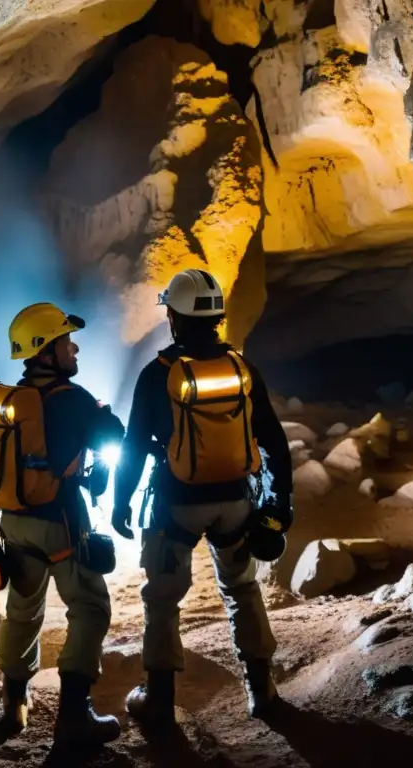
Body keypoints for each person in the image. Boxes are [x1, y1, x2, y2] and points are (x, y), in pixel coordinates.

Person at [110, 269, 294, 724]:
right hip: (236, 502)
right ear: (215, 317)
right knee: (242, 589)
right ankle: (262, 690)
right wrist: (278, 501)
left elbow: (134, 447)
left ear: (174, 317)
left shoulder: (158, 375)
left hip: (177, 504)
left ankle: (160, 700)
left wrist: (120, 503)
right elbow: (272, 438)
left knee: (163, 599)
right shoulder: (240, 368)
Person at [0, 302, 126, 745]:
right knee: (89, 607)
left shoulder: (12, 399)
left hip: (14, 523)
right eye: (67, 342)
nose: (74, 350)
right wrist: (102, 412)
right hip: (60, 521)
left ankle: (14, 702)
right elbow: (114, 432)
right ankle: (74, 715)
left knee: (23, 607)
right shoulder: (71, 398)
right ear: (46, 349)